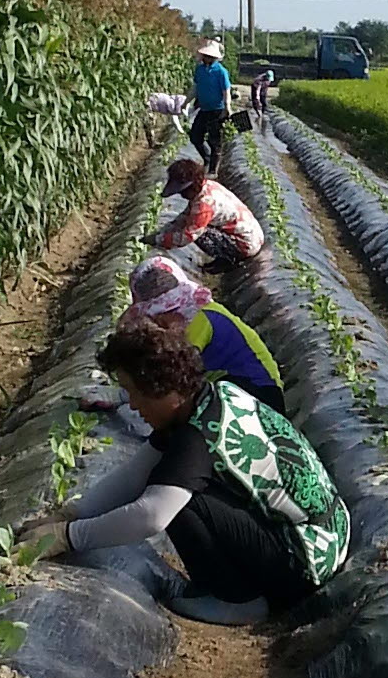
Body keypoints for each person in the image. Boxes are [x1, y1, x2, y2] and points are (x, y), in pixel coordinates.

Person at [31, 312, 348, 625]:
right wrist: (72, 513)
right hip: (327, 536)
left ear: (162, 390)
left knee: (179, 497)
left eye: (134, 393)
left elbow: (151, 516)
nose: (132, 404)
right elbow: (135, 471)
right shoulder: (211, 398)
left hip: (304, 562)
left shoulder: (198, 437)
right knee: (171, 481)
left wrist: (68, 538)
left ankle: (237, 599)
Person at [129, 251, 287, 410]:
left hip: (258, 395)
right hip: (241, 390)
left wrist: (129, 391)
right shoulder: (194, 311)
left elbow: (167, 372)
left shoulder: (199, 321)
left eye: (160, 315)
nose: (158, 322)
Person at [151, 154, 267, 276]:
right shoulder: (207, 187)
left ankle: (228, 260)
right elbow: (185, 216)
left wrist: (159, 240)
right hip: (250, 236)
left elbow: (187, 237)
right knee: (192, 223)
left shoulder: (204, 205)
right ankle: (225, 257)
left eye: (182, 192)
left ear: (191, 187)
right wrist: (163, 231)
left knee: (198, 233)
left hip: (245, 245)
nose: (181, 195)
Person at [188, 38, 235, 161]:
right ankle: (207, 158)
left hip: (217, 110)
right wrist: (185, 103)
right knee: (195, 136)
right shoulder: (200, 70)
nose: (206, 58)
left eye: (209, 56)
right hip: (204, 109)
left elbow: (226, 90)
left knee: (214, 140)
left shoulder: (221, 72)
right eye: (205, 55)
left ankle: (213, 169)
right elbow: (196, 88)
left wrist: (227, 107)